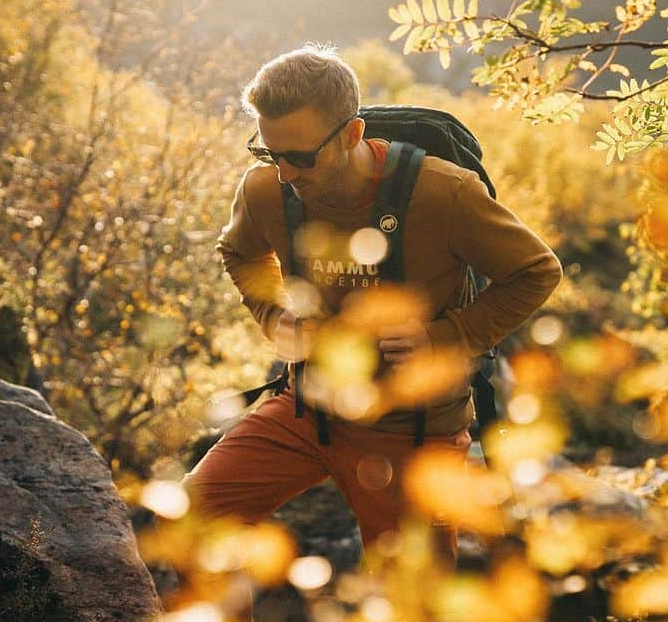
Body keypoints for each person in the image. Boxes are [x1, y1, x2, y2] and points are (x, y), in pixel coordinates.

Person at [185, 43, 561, 557]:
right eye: (269, 154)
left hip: (414, 429)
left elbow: (536, 270)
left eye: (299, 157)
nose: (285, 175)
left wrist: (443, 337)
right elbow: (239, 252)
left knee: (413, 598)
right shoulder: (265, 191)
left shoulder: (442, 193)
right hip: (305, 412)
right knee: (190, 523)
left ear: (353, 134)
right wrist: (274, 314)